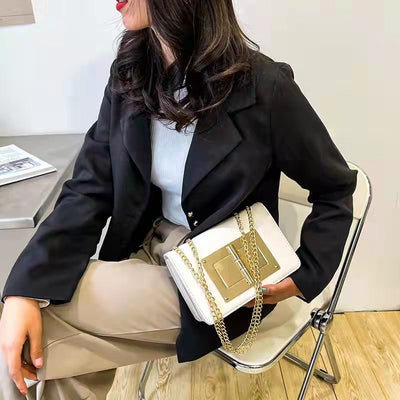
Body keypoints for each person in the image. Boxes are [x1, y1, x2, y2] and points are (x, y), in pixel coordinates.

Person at [0, 0, 358, 399]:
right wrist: (24, 290)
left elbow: (335, 187)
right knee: (41, 325)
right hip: (149, 247)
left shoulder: (265, 87)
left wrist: (306, 274)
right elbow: (90, 186)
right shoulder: (131, 74)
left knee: (40, 321)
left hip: (225, 272)